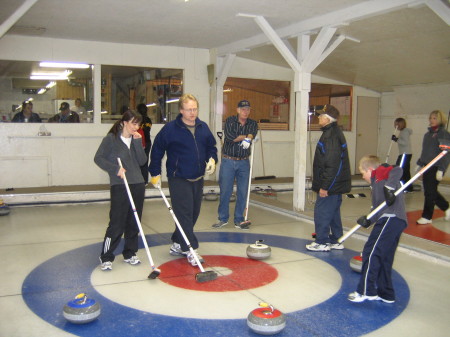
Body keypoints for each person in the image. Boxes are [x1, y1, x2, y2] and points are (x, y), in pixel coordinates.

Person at [149, 93, 218, 266]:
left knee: (193, 213)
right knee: (184, 213)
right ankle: (190, 249)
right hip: (178, 177)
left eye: (195, 109)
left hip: (198, 177)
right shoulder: (170, 129)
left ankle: (178, 242)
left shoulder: (202, 127)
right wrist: (155, 173)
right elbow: (157, 150)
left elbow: (211, 146)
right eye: (189, 110)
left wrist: (212, 159)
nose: (192, 113)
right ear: (181, 110)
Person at [348, 155, 407, 303]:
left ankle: (366, 291)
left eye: (362, 173)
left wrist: (389, 187)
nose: (362, 176)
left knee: (371, 252)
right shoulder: (376, 185)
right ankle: (386, 293)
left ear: (370, 170)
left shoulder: (381, 175)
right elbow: (377, 209)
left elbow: (397, 169)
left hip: (391, 218)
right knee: (385, 257)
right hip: (392, 219)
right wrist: (368, 220)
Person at [94, 110, 147, 271]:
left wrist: (138, 143)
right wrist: (115, 169)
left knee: (133, 222)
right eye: (133, 123)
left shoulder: (136, 139)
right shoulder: (111, 139)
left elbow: (142, 161)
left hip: (137, 183)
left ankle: (130, 253)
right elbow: (98, 158)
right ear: (124, 122)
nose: (135, 127)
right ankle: (106, 255)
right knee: (117, 222)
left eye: (138, 124)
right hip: (120, 185)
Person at [306, 104, 351, 252]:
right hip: (335, 184)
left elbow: (332, 164)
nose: (318, 117)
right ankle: (336, 240)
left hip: (330, 185)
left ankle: (322, 242)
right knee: (333, 213)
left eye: (321, 115)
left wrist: (325, 186)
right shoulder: (332, 132)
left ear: (328, 118)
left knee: (323, 212)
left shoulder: (330, 136)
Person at [212, 100, 258, 230]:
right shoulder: (230, 121)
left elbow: (253, 132)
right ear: (238, 110)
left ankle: (239, 219)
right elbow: (232, 137)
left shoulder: (253, 123)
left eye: (248, 109)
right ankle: (222, 218)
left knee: (243, 192)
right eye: (243, 109)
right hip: (228, 161)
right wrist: (247, 137)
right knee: (226, 191)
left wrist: (249, 137)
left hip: (244, 162)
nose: (245, 112)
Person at [415, 109, 450, 225]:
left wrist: (441, 169)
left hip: (435, 166)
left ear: (440, 119)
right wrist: (420, 163)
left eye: (434, 118)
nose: (431, 120)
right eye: (430, 118)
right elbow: (425, 151)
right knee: (431, 191)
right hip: (427, 166)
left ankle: (427, 216)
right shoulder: (427, 134)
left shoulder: (443, 134)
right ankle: (447, 208)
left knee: (429, 192)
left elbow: (446, 153)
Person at [391, 117, 413, 192]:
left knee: (400, 170)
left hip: (404, 154)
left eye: (398, 124)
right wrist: (396, 139)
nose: (396, 125)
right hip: (405, 154)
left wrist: (396, 139)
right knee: (406, 171)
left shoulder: (404, 132)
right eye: (395, 124)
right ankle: (408, 188)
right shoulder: (403, 132)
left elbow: (405, 143)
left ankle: (402, 186)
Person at [136, 103, 153, 185]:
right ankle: (145, 181)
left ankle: (138, 180)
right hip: (148, 142)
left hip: (139, 142)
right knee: (145, 161)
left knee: (137, 161)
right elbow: (148, 130)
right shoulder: (149, 120)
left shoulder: (137, 120)